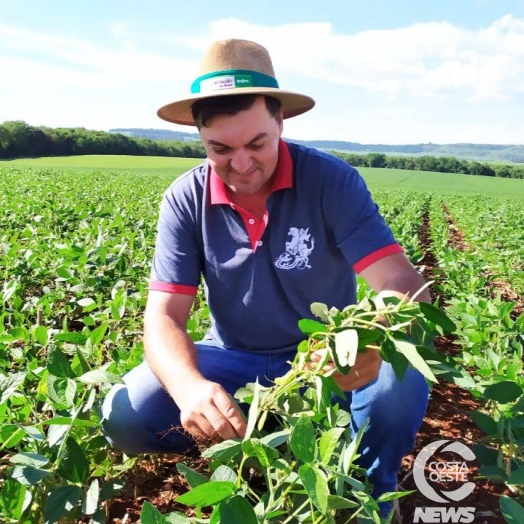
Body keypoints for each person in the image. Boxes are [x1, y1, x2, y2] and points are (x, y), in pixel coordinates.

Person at [102, 38, 430, 518]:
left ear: (281, 122)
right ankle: (239, 458)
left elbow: (400, 279)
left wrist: (370, 337)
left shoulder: (332, 182)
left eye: (257, 143)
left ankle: (366, 493)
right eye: (220, 148)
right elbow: (164, 315)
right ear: (199, 136)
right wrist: (190, 387)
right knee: (127, 412)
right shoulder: (184, 199)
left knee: (397, 383)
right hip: (233, 359)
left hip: (325, 361)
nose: (241, 164)